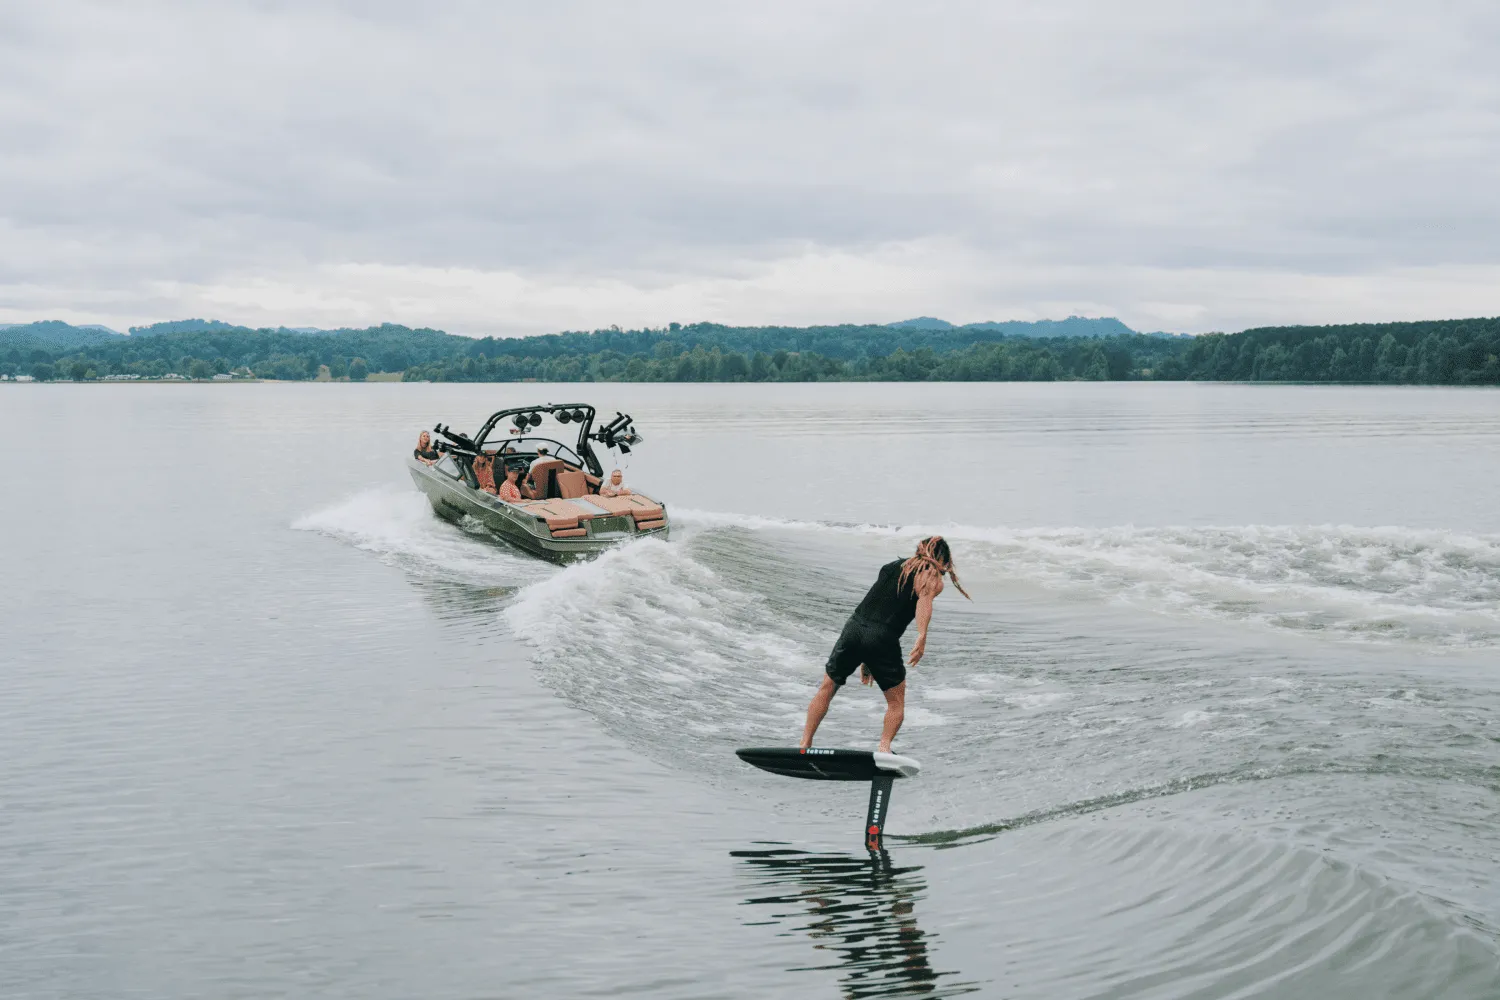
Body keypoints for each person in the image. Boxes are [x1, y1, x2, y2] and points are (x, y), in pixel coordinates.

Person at [799, 537, 970, 754]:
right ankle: (884, 748)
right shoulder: (931, 576)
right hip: (882, 638)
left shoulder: (890, 567)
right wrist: (922, 635)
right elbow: (924, 602)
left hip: (853, 629)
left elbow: (879, 604)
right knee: (896, 703)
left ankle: (804, 743)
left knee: (827, 687)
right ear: (943, 559)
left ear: (920, 549)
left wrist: (867, 657)